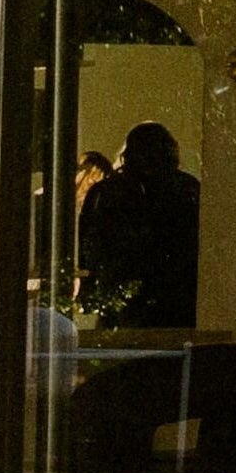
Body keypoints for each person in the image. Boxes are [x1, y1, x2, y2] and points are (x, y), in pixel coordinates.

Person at [75, 122, 201, 327]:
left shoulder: (106, 193)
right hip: (172, 301)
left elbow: (88, 248)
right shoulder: (188, 190)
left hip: (127, 300)